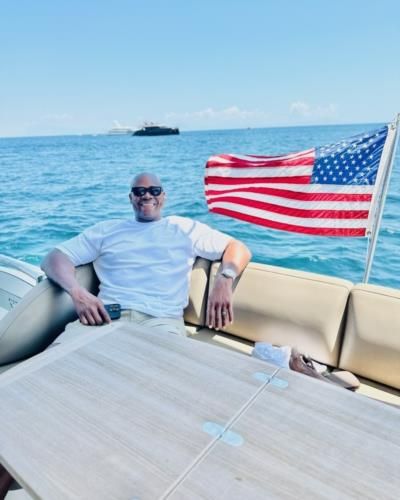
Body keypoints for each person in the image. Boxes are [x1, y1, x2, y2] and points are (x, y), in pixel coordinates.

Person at [41, 172, 251, 341]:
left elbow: (237, 247)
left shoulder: (184, 228)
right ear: (130, 197)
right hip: (106, 317)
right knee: (52, 364)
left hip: (161, 321)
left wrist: (224, 279)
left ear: (164, 196)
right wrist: (78, 293)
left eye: (154, 190)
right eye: (139, 191)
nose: (147, 195)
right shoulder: (107, 230)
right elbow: (54, 258)